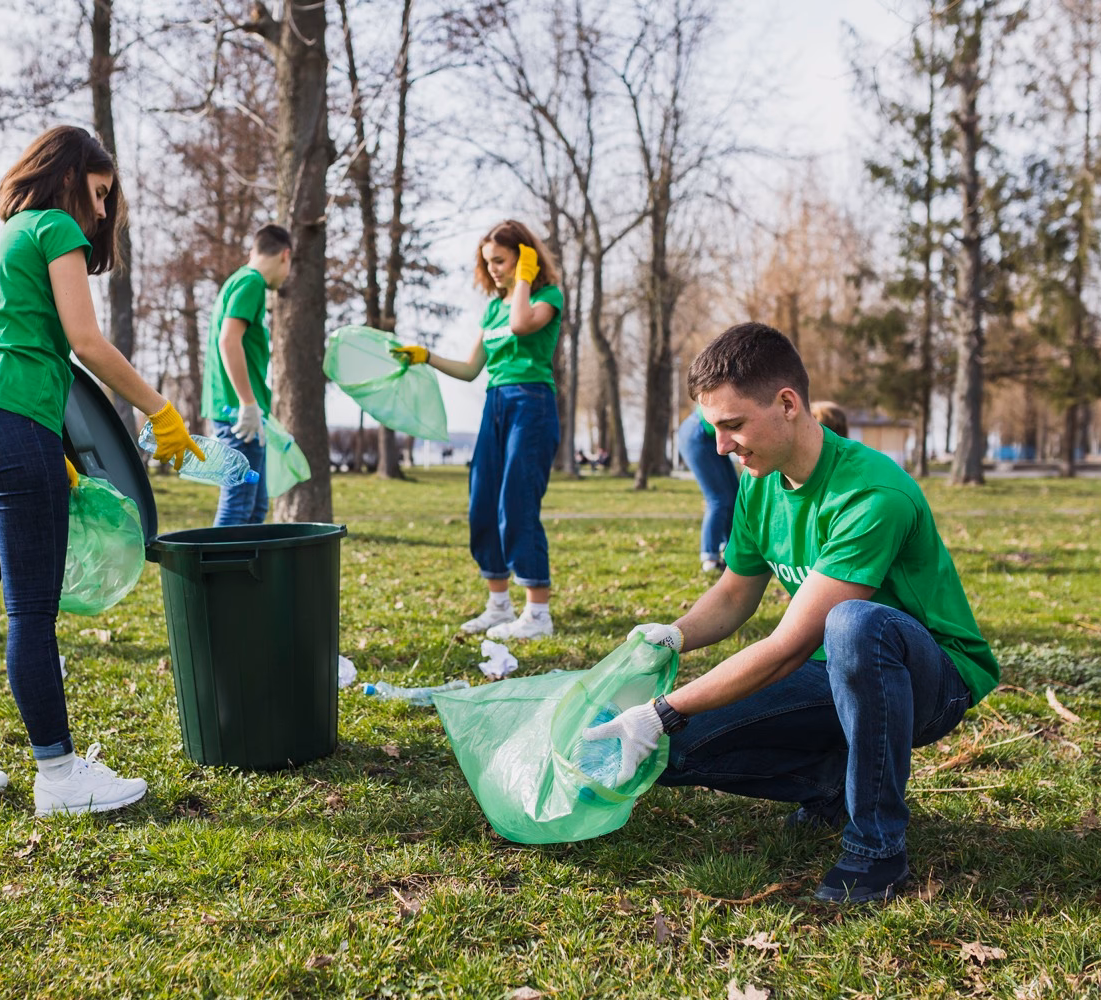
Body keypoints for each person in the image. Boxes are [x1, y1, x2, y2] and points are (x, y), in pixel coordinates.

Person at [584, 323, 998, 903]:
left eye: (733, 425)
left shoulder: (871, 493)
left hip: (926, 681)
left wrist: (662, 708)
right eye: (714, 430)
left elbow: (788, 648)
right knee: (666, 754)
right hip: (835, 670)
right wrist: (672, 636)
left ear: (787, 404)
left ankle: (876, 849)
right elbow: (733, 594)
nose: (722, 446)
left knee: (855, 625)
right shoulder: (761, 480)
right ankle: (833, 785)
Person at [0, 126, 203, 817]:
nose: (100, 215)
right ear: (69, 177)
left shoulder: (7, 236)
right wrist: (159, 410)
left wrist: (54, 452)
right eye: (99, 195)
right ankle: (60, 778)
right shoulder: (57, 227)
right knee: (31, 615)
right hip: (11, 427)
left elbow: (25, 348)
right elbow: (85, 342)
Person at [394, 220, 563, 641]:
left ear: (524, 257)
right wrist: (426, 356)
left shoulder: (547, 296)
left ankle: (538, 614)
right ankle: (498, 606)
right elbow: (471, 370)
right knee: (483, 501)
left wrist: (524, 277)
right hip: (496, 404)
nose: (493, 271)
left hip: (532, 403)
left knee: (517, 502)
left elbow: (523, 324)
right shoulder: (491, 310)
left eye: (501, 261)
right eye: (488, 263)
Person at [200, 224, 293, 526]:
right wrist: (248, 403)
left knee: (254, 508)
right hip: (239, 415)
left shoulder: (238, 281)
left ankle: (245, 573)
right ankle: (215, 574)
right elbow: (228, 340)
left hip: (239, 412)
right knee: (238, 506)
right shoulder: (252, 283)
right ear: (285, 256)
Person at [677, 402, 738, 573]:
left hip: (709, 435)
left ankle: (730, 552)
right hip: (697, 433)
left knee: (735, 495)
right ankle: (709, 558)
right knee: (718, 499)